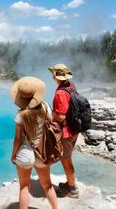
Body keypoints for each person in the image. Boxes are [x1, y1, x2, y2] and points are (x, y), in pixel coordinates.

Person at [10, 76, 59, 209]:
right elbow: (51, 124)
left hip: (25, 153)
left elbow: (18, 139)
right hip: (42, 151)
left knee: (24, 187)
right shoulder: (45, 107)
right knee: (47, 185)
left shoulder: (21, 115)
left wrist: (13, 155)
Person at [48, 63, 80, 198]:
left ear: (55, 76)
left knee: (66, 161)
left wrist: (51, 115)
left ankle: (73, 190)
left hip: (66, 132)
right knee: (68, 159)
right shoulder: (70, 85)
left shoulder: (61, 92)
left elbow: (60, 116)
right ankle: (69, 183)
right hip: (75, 128)